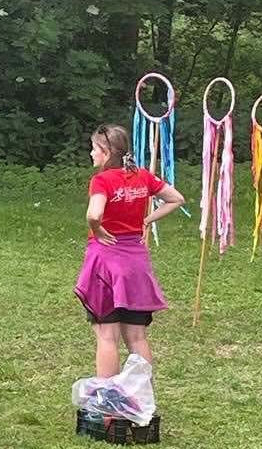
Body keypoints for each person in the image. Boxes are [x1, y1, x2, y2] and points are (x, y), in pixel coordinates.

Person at [74, 124, 185, 378]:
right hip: (136, 265)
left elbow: (94, 214)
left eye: (94, 148)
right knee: (137, 337)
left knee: (107, 336)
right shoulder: (143, 176)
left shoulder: (101, 180)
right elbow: (177, 199)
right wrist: (148, 220)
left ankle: (108, 397)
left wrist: (97, 229)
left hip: (105, 265)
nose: (91, 153)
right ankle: (141, 394)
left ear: (106, 152)